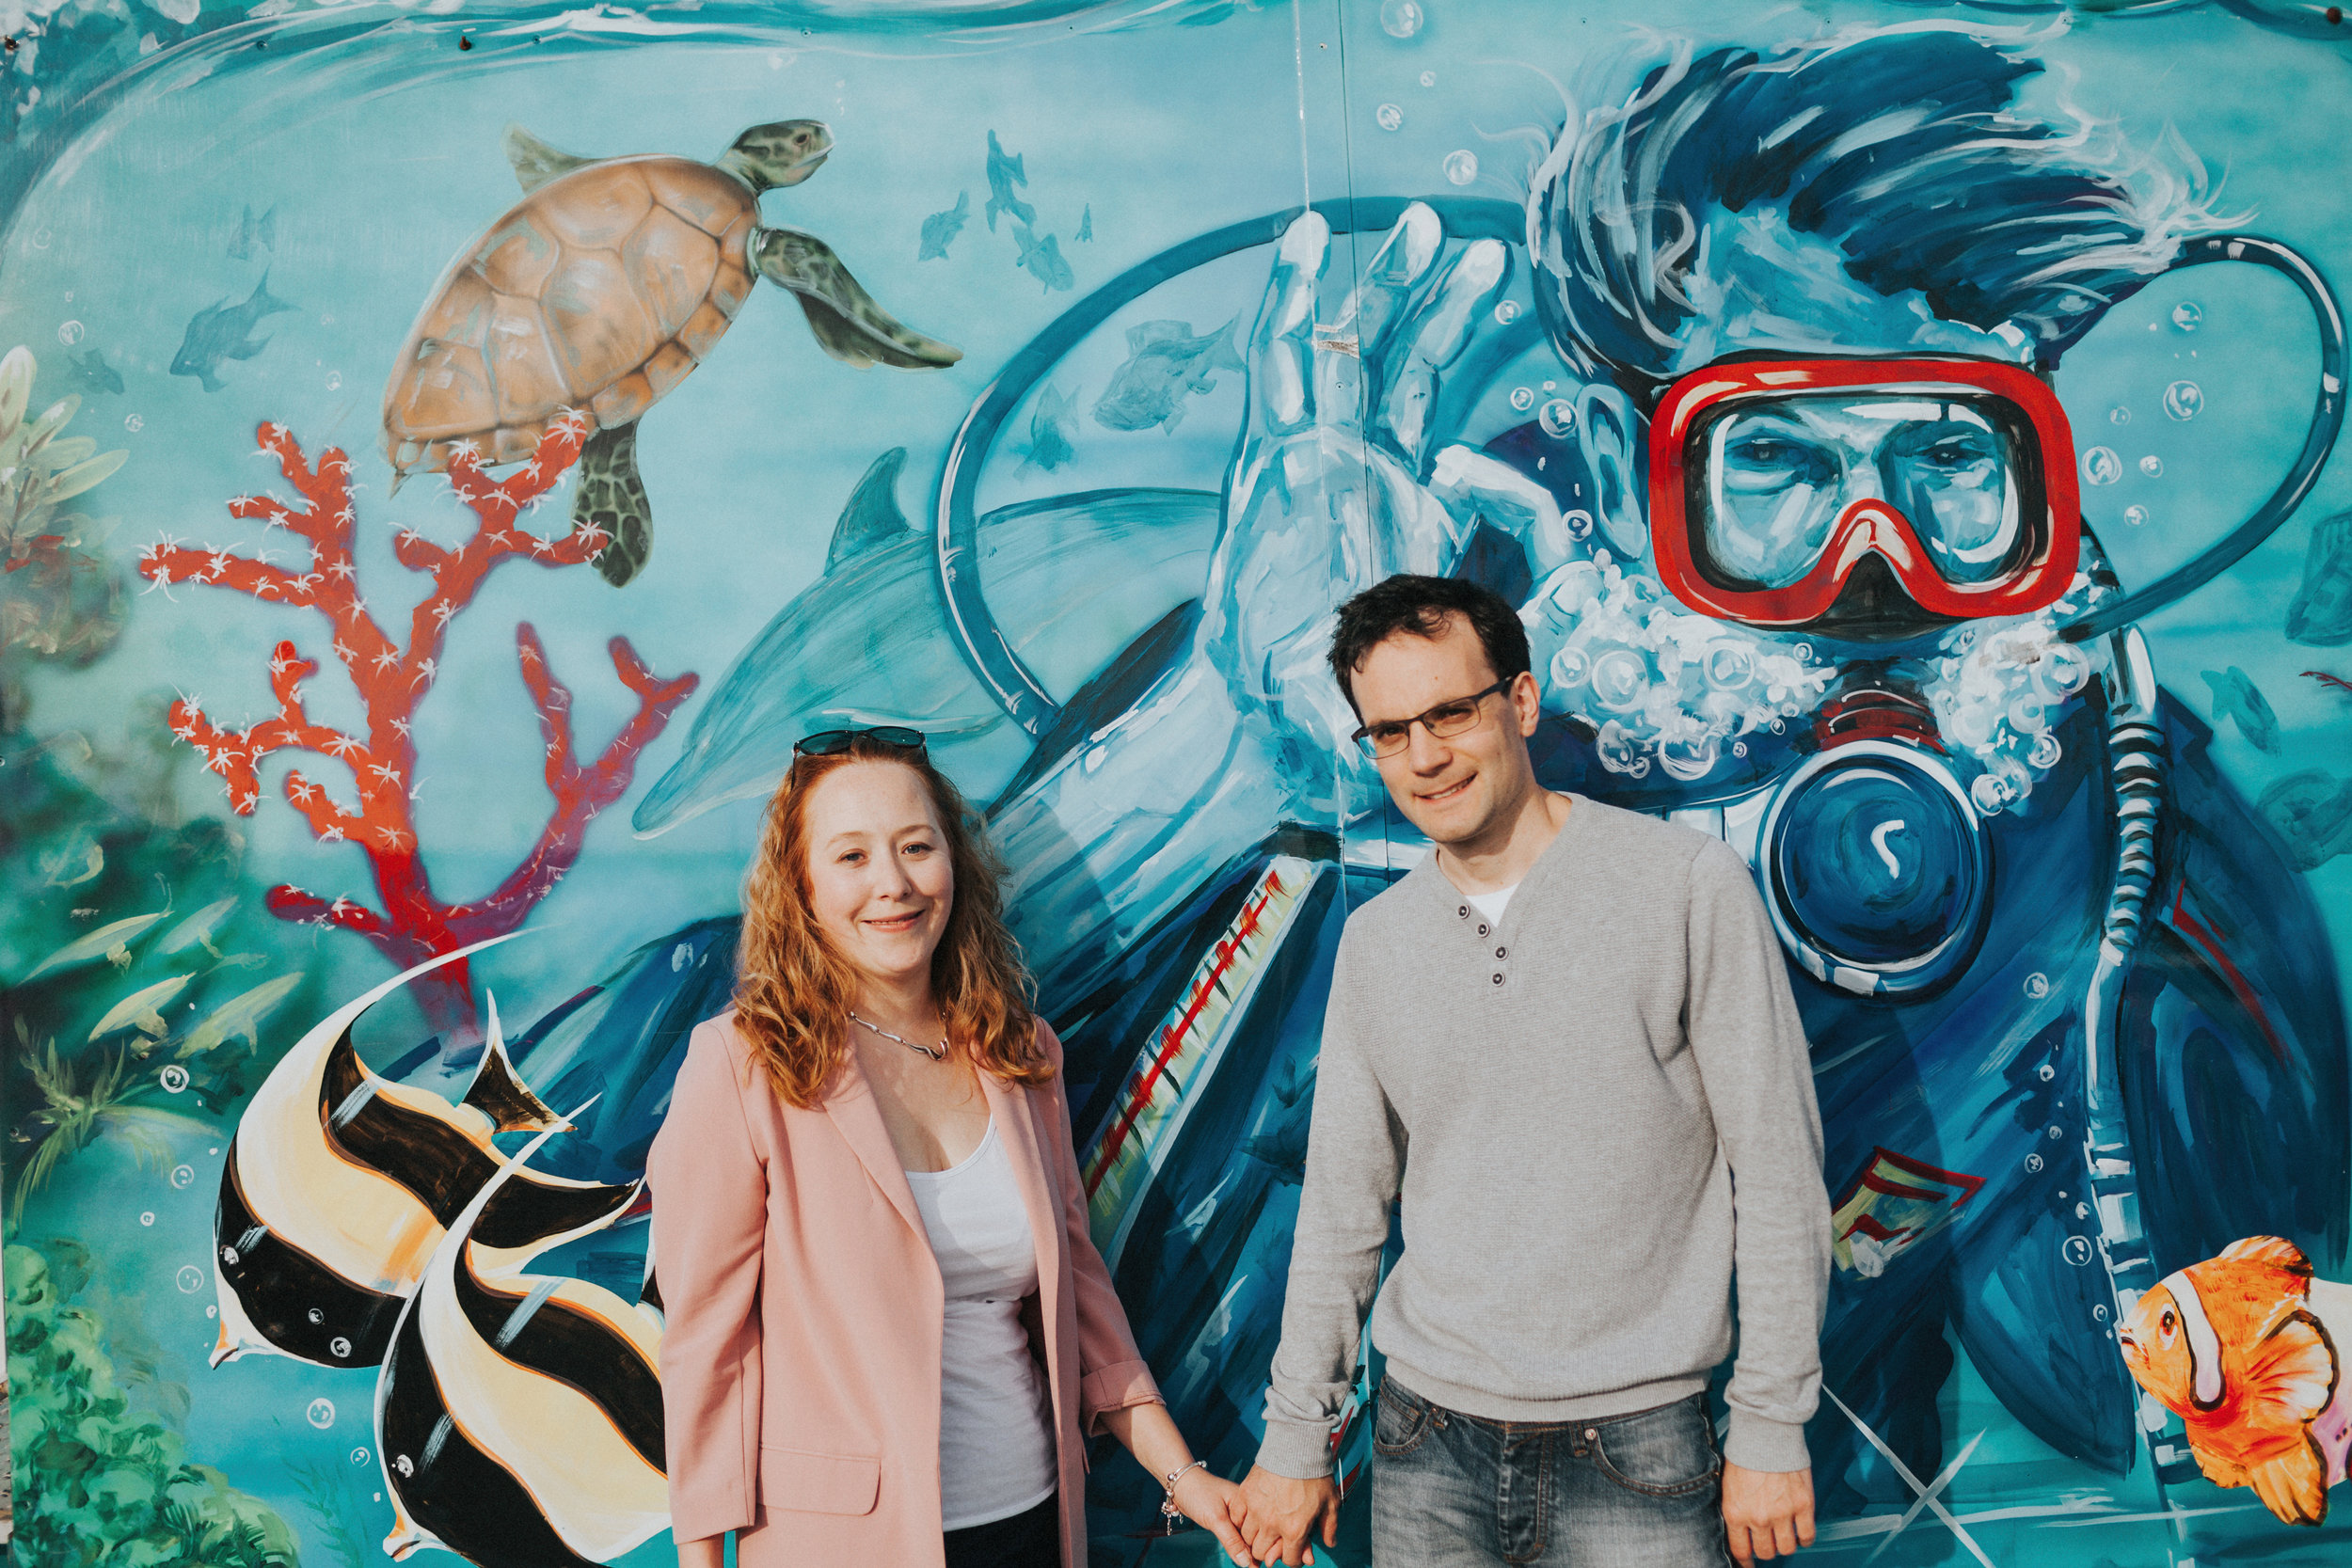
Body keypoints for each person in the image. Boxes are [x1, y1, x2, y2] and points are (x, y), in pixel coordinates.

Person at [1234, 576, 1833, 1568]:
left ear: (1517, 701)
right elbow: (1341, 1209)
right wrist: (1298, 1435)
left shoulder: (1684, 887)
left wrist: (1770, 1421)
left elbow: (1775, 1174)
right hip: (1426, 1446)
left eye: (1449, 713)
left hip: (1639, 1447)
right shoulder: (1377, 943)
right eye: (1388, 731)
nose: (1423, 757)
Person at [648, 727, 1253, 1568]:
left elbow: (1078, 1290)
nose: (892, 884)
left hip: (1035, 1523)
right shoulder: (745, 1065)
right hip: (841, 1544)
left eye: (915, 846)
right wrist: (699, 1557)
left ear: (953, 866)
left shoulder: (1020, 1051)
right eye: (852, 856)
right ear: (802, 886)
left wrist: (1183, 1474)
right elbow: (706, 1341)